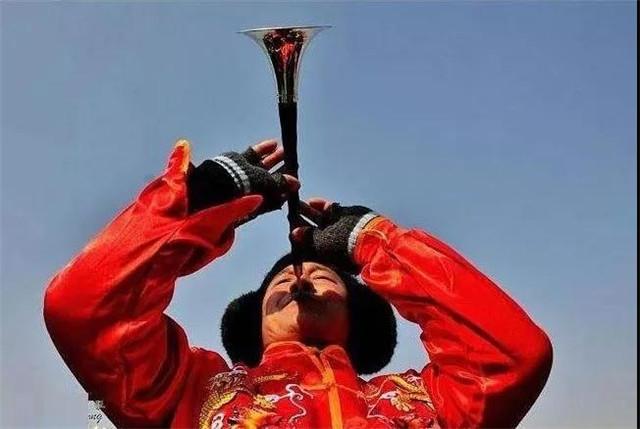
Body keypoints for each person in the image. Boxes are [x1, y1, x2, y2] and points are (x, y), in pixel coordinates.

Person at [44, 139, 553, 429]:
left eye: (324, 274)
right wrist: (197, 202)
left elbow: (512, 356)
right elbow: (84, 309)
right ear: (256, 319)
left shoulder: (424, 399)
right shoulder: (189, 393)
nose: (299, 273)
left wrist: (373, 241)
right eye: (280, 279)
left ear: (355, 313)